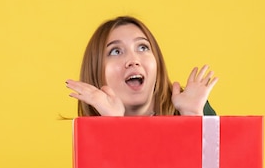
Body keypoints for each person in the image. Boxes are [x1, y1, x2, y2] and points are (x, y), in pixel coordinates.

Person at [66, 16, 218, 117]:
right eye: (116, 51)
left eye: (143, 47)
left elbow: (221, 165)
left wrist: (192, 117)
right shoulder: (90, 134)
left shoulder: (194, 106)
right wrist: (112, 127)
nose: (133, 60)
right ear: (96, 70)